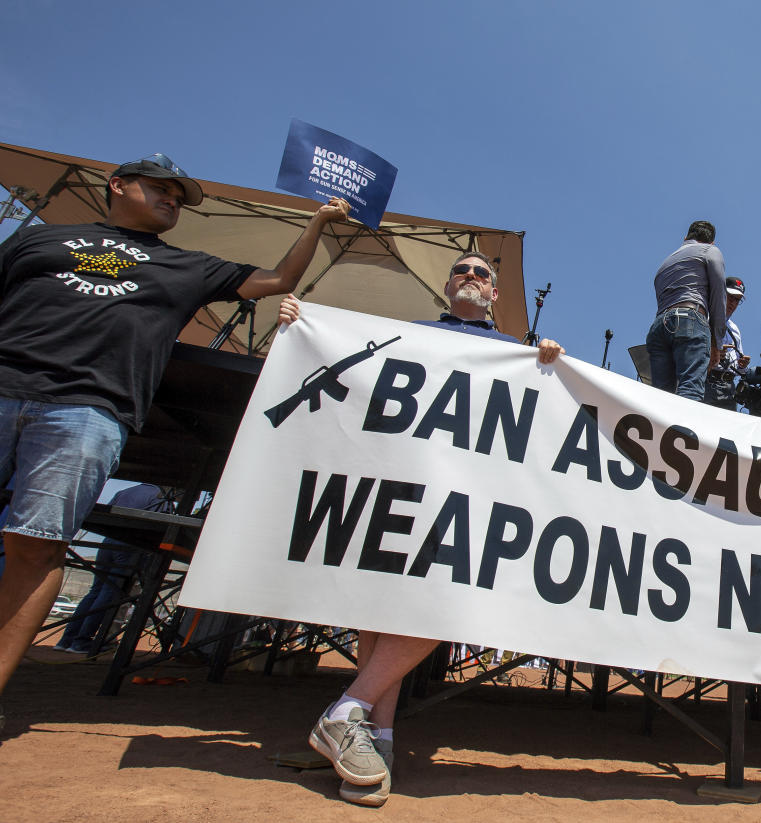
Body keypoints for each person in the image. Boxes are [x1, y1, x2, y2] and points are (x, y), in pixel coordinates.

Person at [0, 153, 352, 702]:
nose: (172, 199)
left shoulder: (190, 267)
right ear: (118, 185)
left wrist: (316, 223)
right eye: (161, 188)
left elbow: (278, 279)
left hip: (88, 411)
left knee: (36, 545)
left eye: (179, 196)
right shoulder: (39, 242)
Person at [279, 251, 565, 807]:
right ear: (447, 283)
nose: (471, 277)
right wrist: (302, 324)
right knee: (379, 608)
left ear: (495, 295)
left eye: (482, 274)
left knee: (444, 601)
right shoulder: (406, 334)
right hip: (400, 480)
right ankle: (376, 739)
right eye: (462, 270)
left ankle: (345, 710)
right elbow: (353, 367)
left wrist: (549, 361)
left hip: (468, 493)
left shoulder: (517, 352)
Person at [54, 484, 176, 655]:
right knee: (111, 591)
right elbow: (163, 525)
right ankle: (82, 641)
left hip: (108, 542)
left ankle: (66, 639)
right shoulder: (161, 495)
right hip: (130, 544)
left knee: (96, 590)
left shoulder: (124, 491)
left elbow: (108, 513)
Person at [646, 220, 726, 401]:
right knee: (690, 389)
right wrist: (716, 344)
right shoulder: (709, 251)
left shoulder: (665, 264)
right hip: (689, 318)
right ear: (711, 241)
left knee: (661, 397)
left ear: (685, 238)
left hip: (659, 326)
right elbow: (718, 297)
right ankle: (681, 430)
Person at [704, 276, 750, 411]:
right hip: (706, 382)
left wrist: (742, 365)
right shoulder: (704, 318)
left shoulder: (734, 329)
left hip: (729, 388)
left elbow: (739, 369)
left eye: (737, 300)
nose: (733, 303)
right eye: (731, 297)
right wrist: (712, 351)